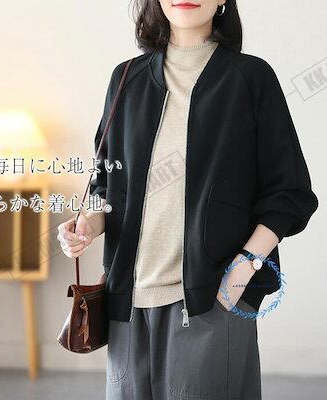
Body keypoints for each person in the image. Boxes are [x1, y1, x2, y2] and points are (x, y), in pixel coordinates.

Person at [57, 1, 319, 399]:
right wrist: (87, 226)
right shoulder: (126, 78)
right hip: (128, 302)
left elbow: (290, 192)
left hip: (211, 299)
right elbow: (107, 186)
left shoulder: (250, 77)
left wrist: (243, 270)